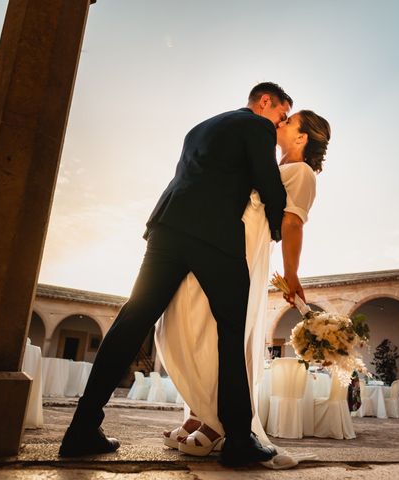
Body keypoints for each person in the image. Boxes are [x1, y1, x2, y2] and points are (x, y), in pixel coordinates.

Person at [59, 82, 293, 468]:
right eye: (280, 114)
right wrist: (275, 231)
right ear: (265, 101)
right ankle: (237, 439)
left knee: (131, 321)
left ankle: (82, 427)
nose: (280, 124)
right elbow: (268, 182)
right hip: (215, 235)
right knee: (231, 333)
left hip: (167, 228)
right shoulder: (256, 126)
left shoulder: (200, 127)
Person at [156, 109, 331, 467]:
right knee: (188, 318)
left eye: (289, 121)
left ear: (302, 138)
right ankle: (200, 410)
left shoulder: (302, 173)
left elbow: (293, 223)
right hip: (220, 238)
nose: (280, 124)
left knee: (215, 327)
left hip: (246, 247)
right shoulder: (269, 162)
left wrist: (292, 274)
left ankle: (218, 422)